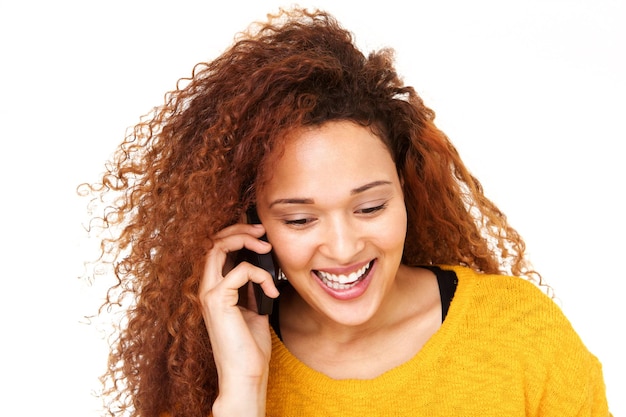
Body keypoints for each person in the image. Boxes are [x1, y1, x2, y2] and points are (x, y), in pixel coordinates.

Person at [83, 7, 611, 417]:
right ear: (251, 222)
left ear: (408, 191)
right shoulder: (214, 372)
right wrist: (244, 391)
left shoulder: (518, 332)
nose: (342, 248)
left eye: (370, 206)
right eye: (299, 219)